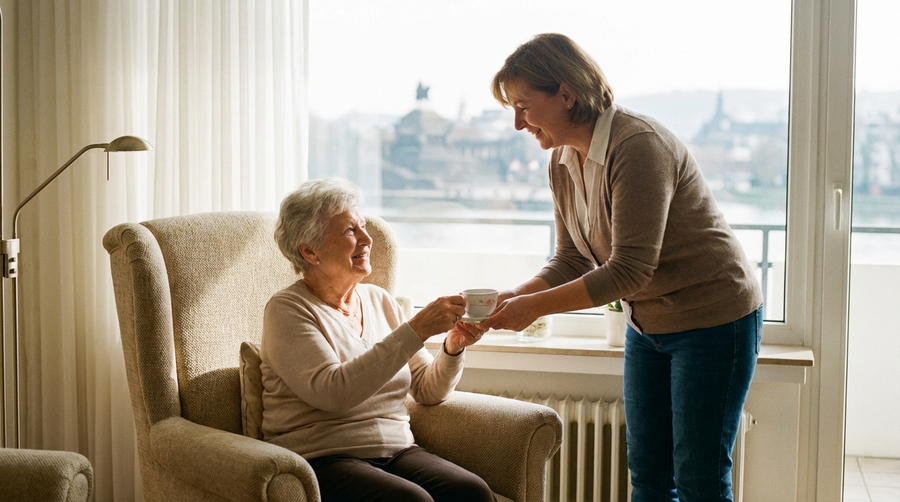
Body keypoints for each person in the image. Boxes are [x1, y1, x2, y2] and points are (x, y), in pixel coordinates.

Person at [481, 33, 764, 502]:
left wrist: (532, 308)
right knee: (649, 478)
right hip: (646, 324)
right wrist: (515, 296)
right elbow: (571, 257)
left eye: (524, 106)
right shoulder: (561, 160)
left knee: (700, 481)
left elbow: (630, 270)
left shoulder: (637, 146)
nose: (517, 123)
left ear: (567, 93)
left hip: (713, 321)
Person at [261, 177, 494, 502]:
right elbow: (334, 393)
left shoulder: (379, 301)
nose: (368, 239)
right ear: (309, 251)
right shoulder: (287, 311)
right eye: (349, 231)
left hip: (395, 449)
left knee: (472, 492)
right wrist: (416, 330)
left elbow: (428, 390)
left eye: (363, 227)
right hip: (322, 457)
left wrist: (452, 348)